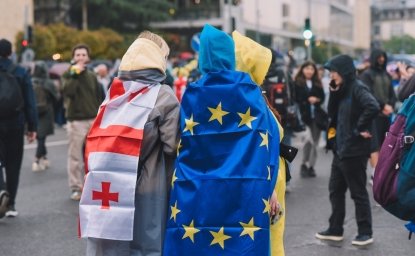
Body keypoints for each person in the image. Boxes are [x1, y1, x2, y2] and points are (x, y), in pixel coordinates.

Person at [164, 24, 280, 255]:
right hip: (245, 190)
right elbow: (269, 139)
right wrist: (271, 185)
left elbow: (181, 141)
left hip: (199, 190)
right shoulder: (250, 91)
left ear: (203, 57)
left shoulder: (194, 92)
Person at [80, 31, 180, 256]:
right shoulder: (163, 95)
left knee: (112, 244)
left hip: (108, 183)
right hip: (149, 184)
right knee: (145, 243)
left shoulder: (113, 94)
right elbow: (172, 145)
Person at [232, 30, 287, 256]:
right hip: (264, 184)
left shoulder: (251, 94)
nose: (265, 72)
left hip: (269, 181)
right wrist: (270, 187)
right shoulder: (246, 99)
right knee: (263, 243)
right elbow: (251, 149)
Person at [316, 54, 379, 246]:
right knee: (335, 191)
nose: (332, 75)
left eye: (334, 71)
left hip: (354, 150)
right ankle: (335, 229)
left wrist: (358, 128)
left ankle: (365, 232)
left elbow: (372, 106)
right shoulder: (341, 89)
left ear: (344, 71)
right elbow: (331, 113)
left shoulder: (358, 88)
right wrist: (334, 91)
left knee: (358, 193)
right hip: (340, 149)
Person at [0, 39, 37, 217]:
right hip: (16, 123)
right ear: (10, 53)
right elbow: (30, 101)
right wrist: (32, 126)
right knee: (14, 164)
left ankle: (1, 189)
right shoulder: (21, 71)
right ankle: (11, 204)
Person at [62, 44, 103, 201]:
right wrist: (74, 74)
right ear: (73, 58)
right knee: (75, 156)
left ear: (88, 58)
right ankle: (76, 187)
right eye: (77, 55)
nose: (80, 58)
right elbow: (67, 92)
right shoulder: (68, 74)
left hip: (92, 119)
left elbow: (98, 96)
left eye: (83, 55)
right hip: (76, 121)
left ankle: (92, 184)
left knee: (93, 155)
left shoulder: (92, 75)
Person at [359, 49, 396, 184]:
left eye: (383, 56)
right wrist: (382, 106)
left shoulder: (386, 74)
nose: (381, 59)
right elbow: (368, 94)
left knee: (384, 144)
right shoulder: (367, 75)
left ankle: (380, 172)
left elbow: (392, 94)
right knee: (374, 145)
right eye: (379, 57)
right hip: (373, 115)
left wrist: (390, 105)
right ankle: (374, 174)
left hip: (386, 115)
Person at [293, 61, 325, 177]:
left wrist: (316, 100)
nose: (309, 71)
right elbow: (295, 98)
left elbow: (322, 97)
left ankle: (311, 166)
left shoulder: (317, 82)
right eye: (307, 68)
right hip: (304, 117)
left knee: (315, 143)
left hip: (316, 118)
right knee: (307, 141)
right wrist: (307, 99)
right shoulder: (297, 83)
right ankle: (304, 164)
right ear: (302, 69)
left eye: (312, 69)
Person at [31, 61, 58, 171]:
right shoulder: (48, 83)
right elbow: (56, 98)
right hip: (47, 112)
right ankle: (37, 160)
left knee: (39, 137)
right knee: (42, 137)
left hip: (34, 112)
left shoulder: (31, 81)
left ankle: (45, 158)